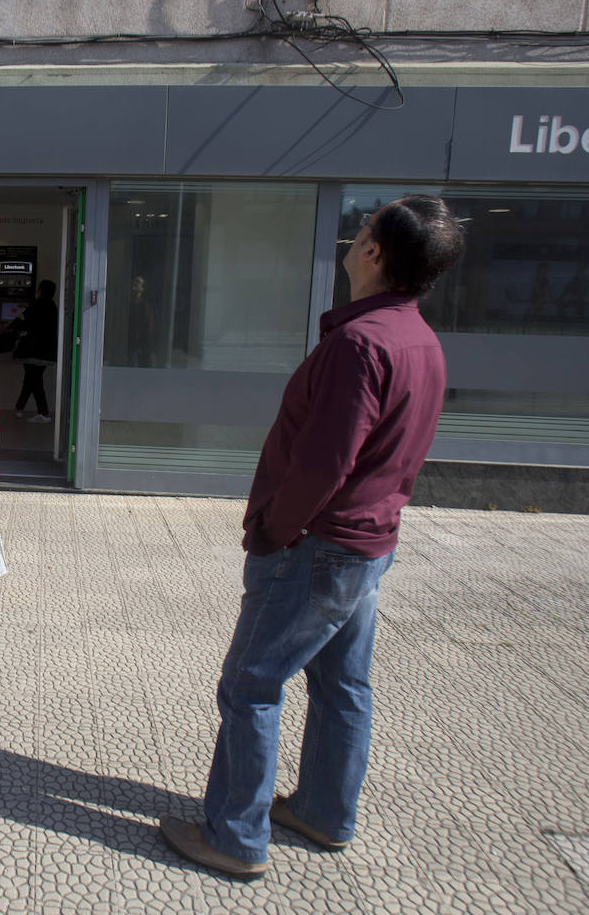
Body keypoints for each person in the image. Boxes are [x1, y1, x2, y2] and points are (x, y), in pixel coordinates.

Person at [160, 195, 466, 879]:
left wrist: (273, 529)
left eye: (360, 233)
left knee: (251, 685)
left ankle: (234, 838)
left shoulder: (361, 343)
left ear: (375, 254)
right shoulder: (417, 338)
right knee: (342, 684)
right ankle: (326, 812)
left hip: (317, 547)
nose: (351, 242)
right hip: (368, 546)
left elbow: (325, 462)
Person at [12, 279, 59, 423]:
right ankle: (19, 408)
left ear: (40, 290)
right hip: (46, 352)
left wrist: (11, 325)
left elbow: (23, 322)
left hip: (33, 351)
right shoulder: (52, 306)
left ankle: (43, 413)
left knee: (35, 381)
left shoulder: (36, 306)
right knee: (31, 379)